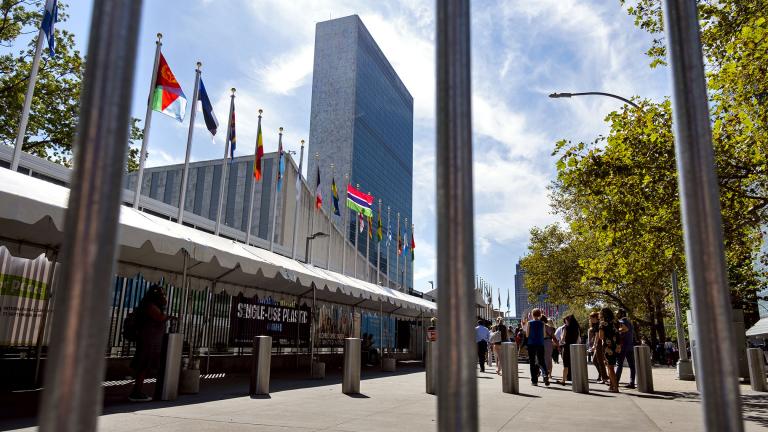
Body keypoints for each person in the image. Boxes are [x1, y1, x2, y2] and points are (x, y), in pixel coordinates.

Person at [129, 284, 170, 402]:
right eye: (161, 293)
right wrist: (167, 315)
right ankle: (136, 392)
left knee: (144, 366)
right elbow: (160, 317)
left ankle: (137, 391)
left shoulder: (150, 304)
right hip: (147, 340)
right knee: (143, 366)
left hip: (149, 340)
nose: (163, 295)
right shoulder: (150, 305)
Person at [596, 308, 620, 392]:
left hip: (607, 347)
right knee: (611, 366)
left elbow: (601, 336)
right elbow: (620, 332)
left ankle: (615, 388)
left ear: (603, 314)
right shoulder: (616, 322)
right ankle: (611, 385)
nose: (599, 315)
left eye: (600, 313)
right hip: (616, 346)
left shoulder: (602, 323)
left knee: (610, 368)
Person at [524, 308, 549, 386]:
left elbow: (527, 335)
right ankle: (545, 375)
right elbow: (544, 335)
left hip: (531, 344)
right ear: (539, 314)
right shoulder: (543, 323)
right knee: (541, 360)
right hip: (540, 344)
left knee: (532, 362)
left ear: (532, 314)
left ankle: (534, 381)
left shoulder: (529, 323)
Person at [616, 309, 636, 389]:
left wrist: (617, 330)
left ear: (621, 314)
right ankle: (632, 382)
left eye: (617, 313)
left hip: (623, 346)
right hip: (630, 346)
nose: (616, 314)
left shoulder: (622, 321)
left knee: (619, 364)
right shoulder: (629, 321)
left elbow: (626, 329)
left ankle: (616, 381)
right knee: (631, 365)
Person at [559, 314, 580, 386]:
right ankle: (577, 380)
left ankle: (563, 380)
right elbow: (578, 339)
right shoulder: (577, 328)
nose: (565, 323)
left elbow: (562, 339)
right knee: (574, 364)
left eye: (566, 321)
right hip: (574, 347)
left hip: (567, 347)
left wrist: (562, 337)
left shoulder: (566, 328)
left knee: (566, 365)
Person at [587, 311, 608, 384]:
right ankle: (603, 375)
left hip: (599, 344)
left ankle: (604, 377)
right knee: (595, 360)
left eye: (591, 318)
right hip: (598, 344)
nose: (590, 319)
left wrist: (594, 346)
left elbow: (597, 336)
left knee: (600, 361)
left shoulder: (598, 324)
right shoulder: (595, 324)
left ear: (596, 317)